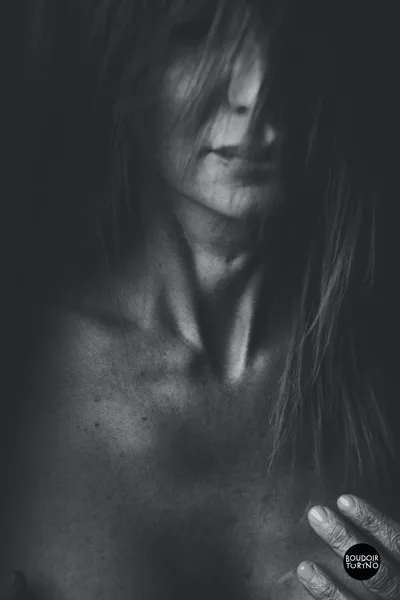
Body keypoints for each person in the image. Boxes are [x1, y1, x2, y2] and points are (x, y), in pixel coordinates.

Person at [1, 0, 400, 599]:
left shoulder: (380, 360)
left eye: (290, 41)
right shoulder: (22, 377)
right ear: (117, 68)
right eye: (195, 35)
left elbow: (366, 568)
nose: (257, 90)